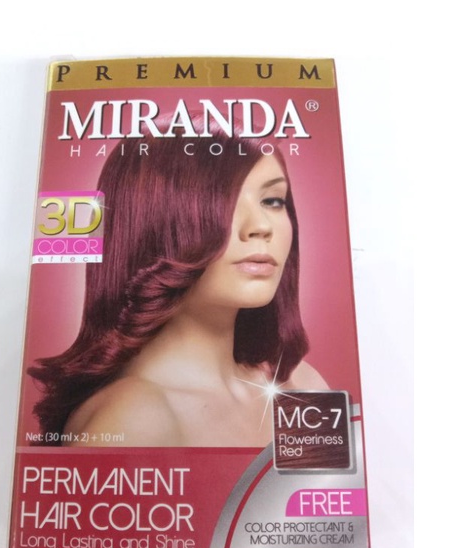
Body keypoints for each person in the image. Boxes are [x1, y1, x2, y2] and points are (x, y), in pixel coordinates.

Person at [30, 115, 327, 447]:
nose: (261, 226)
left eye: (272, 200)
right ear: (154, 221)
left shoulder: (301, 387)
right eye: (223, 201)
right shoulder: (133, 418)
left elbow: (336, 484)